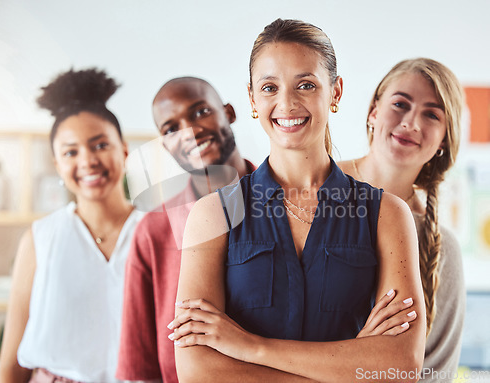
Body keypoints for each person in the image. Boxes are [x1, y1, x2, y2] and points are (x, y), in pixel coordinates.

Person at [170, 19, 426, 383]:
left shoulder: (386, 215)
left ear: (335, 92)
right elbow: (199, 372)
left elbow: (401, 364)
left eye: (306, 85)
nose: (286, 103)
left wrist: (248, 346)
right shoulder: (214, 214)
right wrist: (351, 368)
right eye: (270, 87)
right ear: (253, 99)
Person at [0, 69, 143, 383]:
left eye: (100, 145)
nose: (87, 160)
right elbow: (11, 364)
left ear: (124, 149)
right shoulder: (40, 238)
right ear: (57, 165)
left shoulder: (156, 233)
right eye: (70, 152)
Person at [116, 77, 256, 383]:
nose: (190, 132)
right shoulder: (152, 231)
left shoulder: (287, 205)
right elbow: (141, 366)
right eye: (171, 129)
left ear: (229, 112)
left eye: (200, 112)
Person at [338, 58, 465, 382]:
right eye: (400, 104)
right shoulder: (309, 189)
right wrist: (359, 358)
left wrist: (363, 362)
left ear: (444, 141)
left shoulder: (441, 249)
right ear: (373, 112)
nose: (411, 122)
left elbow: (435, 374)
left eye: (432, 114)